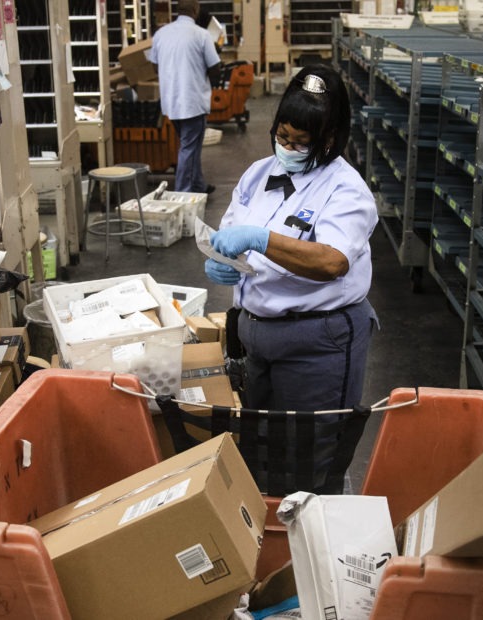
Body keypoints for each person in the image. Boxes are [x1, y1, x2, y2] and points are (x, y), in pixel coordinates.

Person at [204, 65, 378, 412]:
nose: (287, 147)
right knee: (264, 443)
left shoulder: (345, 189)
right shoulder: (258, 174)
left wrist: (260, 239)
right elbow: (227, 234)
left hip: (315, 344)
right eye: (282, 136)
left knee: (312, 448)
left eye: (301, 143)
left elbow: (332, 262)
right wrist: (221, 261)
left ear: (329, 139)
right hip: (256, 339)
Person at [148, 0, 220, 193]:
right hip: (193, 101)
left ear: (177, 10)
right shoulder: (201, 35)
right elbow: (215, 68)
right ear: (195, 10)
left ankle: (198, 184)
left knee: (191, 145)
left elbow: (155, 66)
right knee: (188, 148)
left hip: (171, 102)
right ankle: (183, 193)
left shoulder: (161, 34)